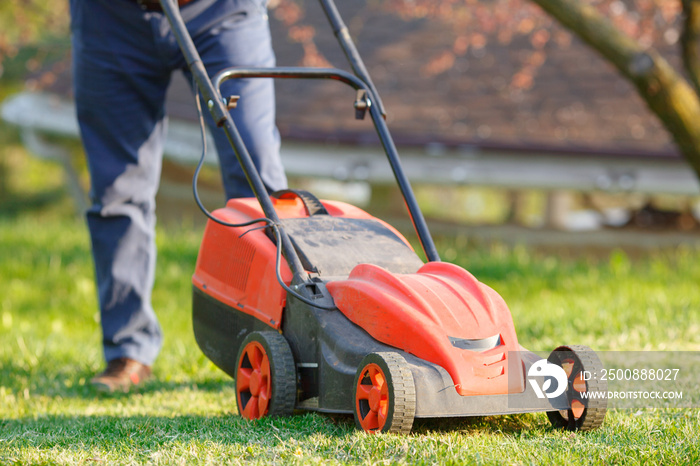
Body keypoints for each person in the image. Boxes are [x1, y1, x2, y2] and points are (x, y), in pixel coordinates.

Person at [69, 0, 287, 392]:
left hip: (220, 10)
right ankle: (127, 349)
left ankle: (277, 345)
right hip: (110, 17)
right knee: (117, 190)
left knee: (257, 181)